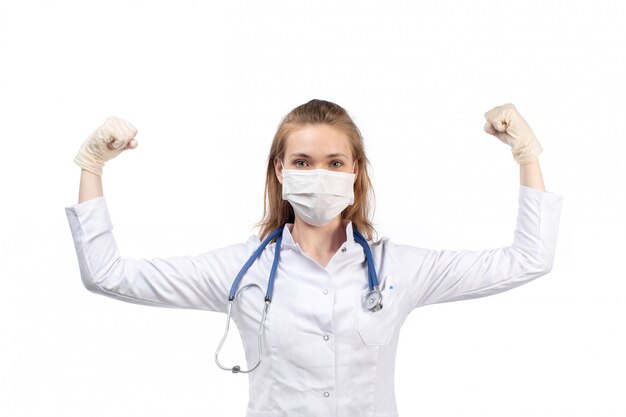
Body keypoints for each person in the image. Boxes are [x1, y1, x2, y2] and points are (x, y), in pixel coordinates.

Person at [65, 99, 564, 417]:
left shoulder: (399, 270)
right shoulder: (243, 271)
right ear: (280, 170)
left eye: (334, 162)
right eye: (302, 162)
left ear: (355, 172)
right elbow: (108, 275)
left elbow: (528, 259)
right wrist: (92, 168)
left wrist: (527, 154)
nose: (318, 174)